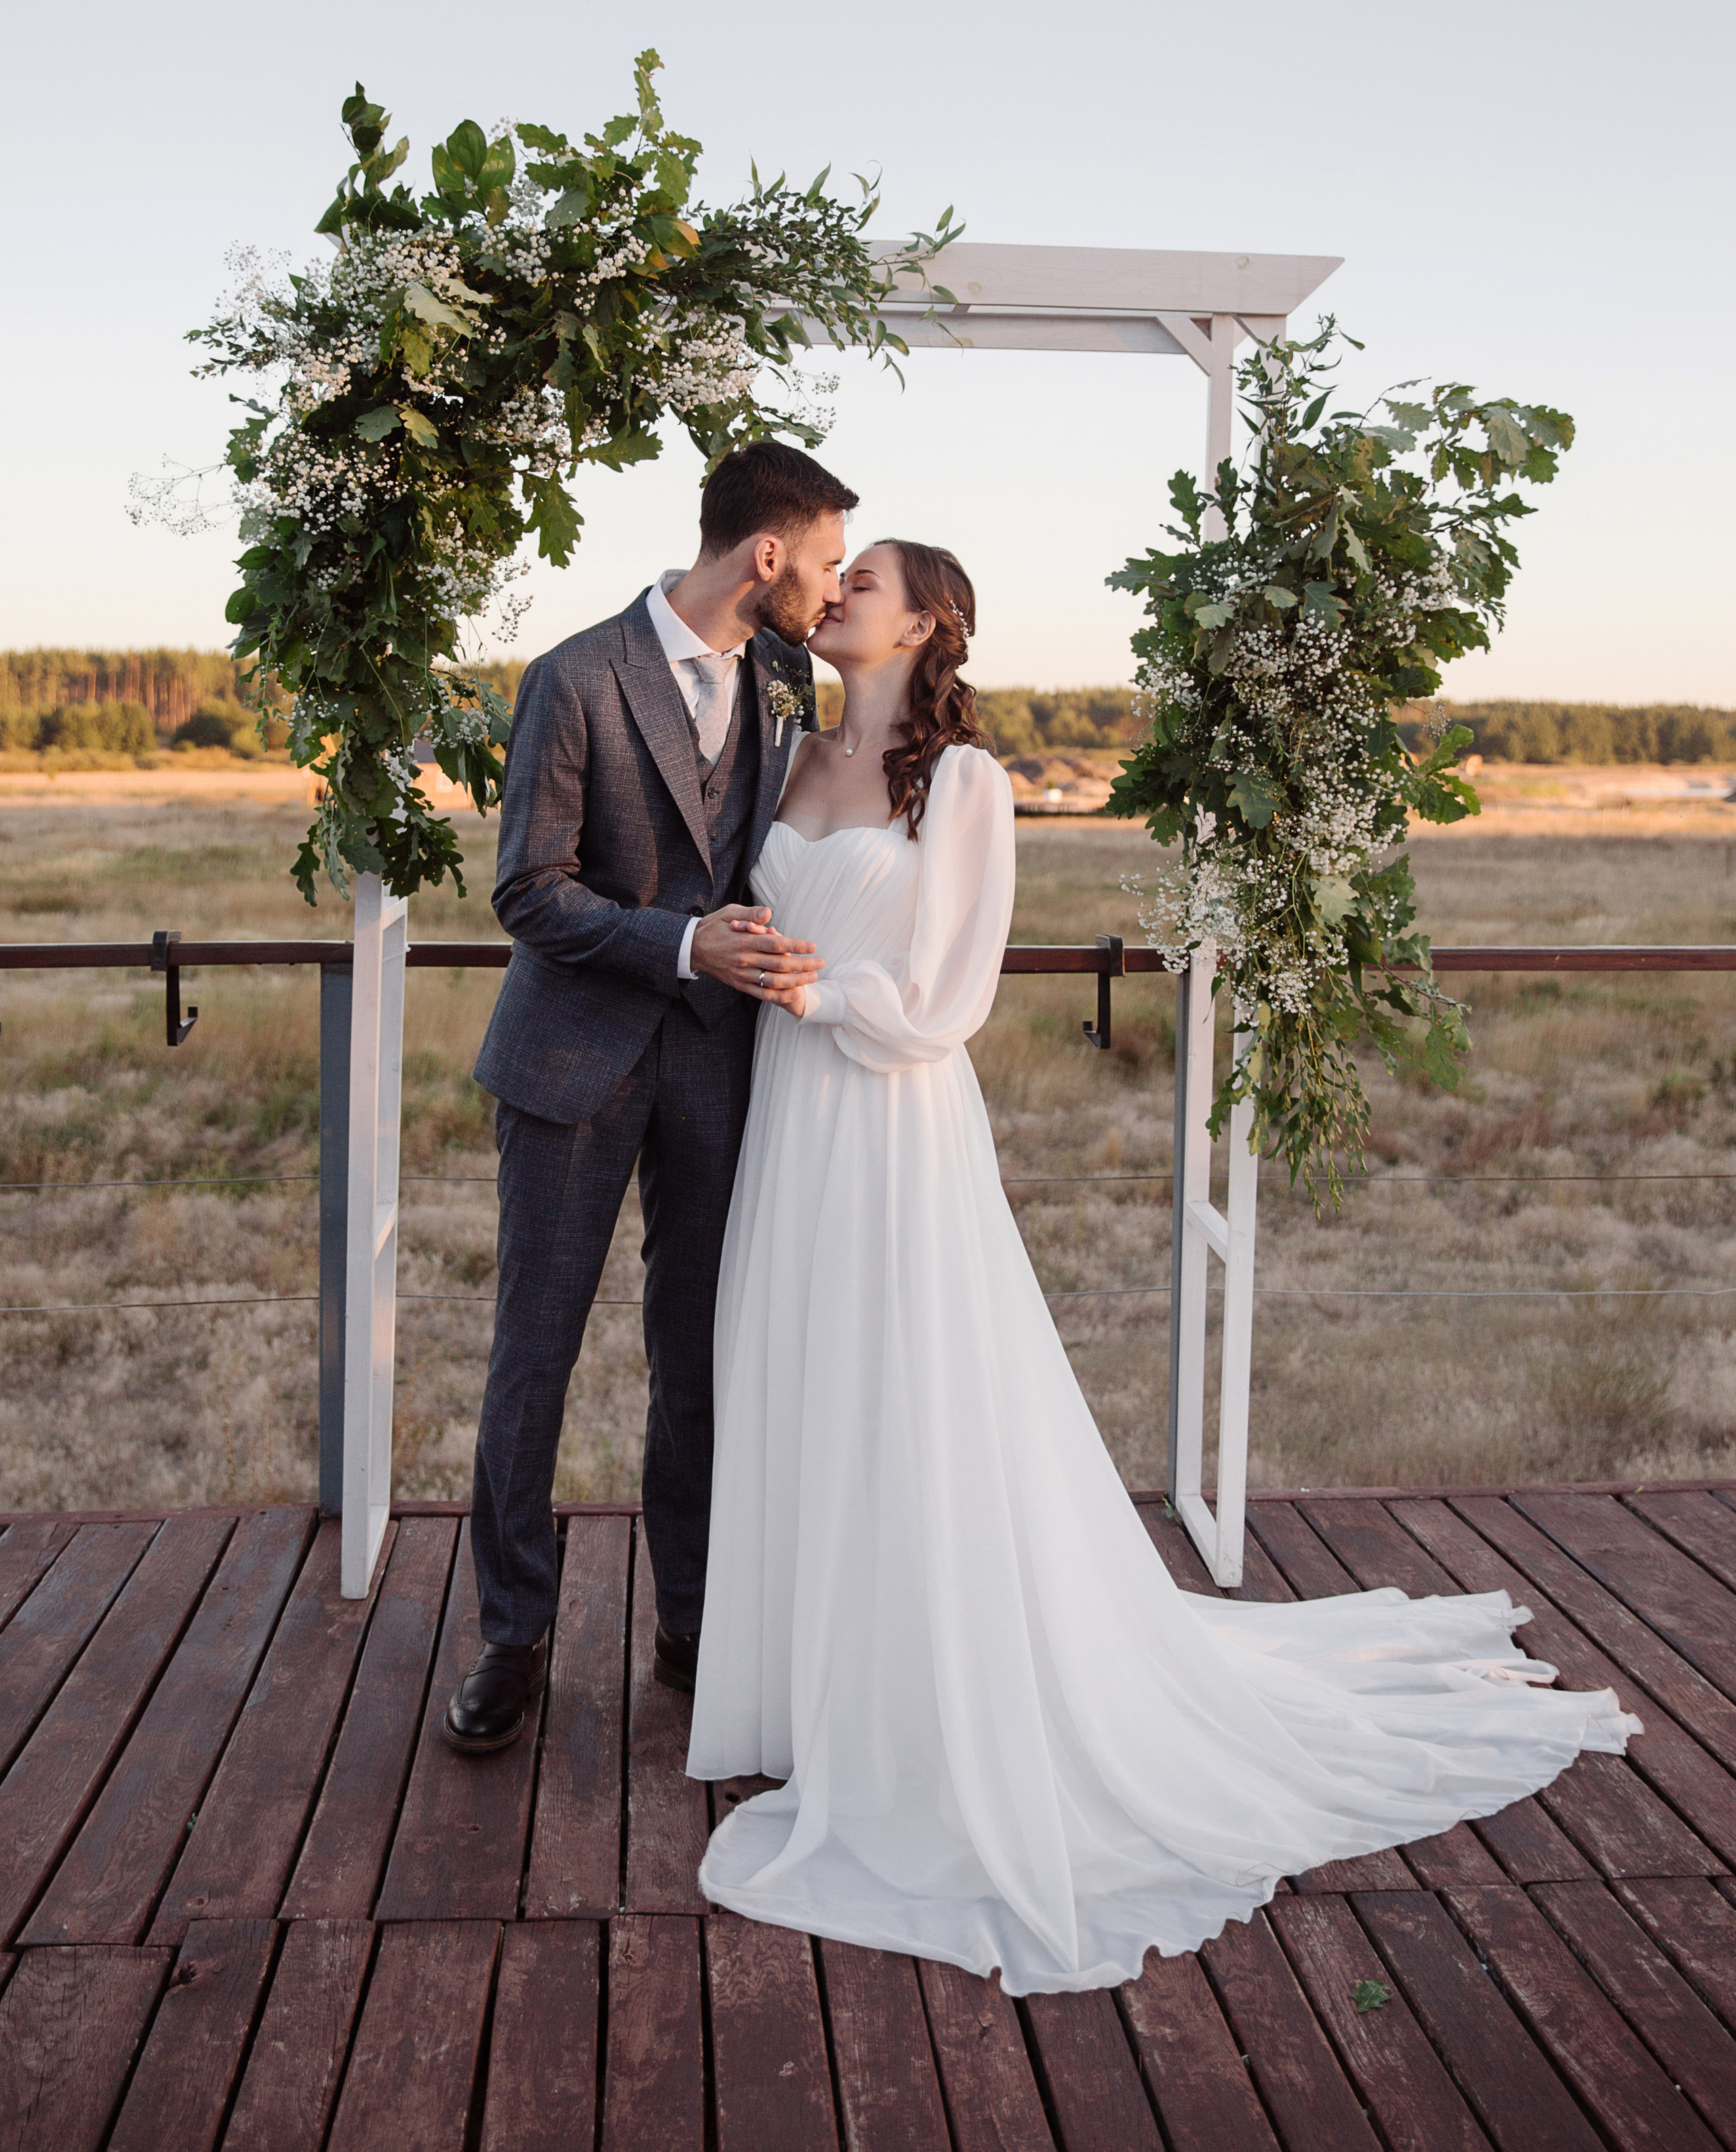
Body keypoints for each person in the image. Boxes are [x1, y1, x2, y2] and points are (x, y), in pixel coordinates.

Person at [686, 536, 1640, 1994]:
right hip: (786, 1116)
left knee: (907, 1390)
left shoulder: (965, 782)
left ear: (929, 619)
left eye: (864, 580)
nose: (836, 597)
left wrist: (809, 981)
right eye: (837, 576)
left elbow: (948, 998)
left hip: (885, 1111)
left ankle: (927, 1701)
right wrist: (754, 958)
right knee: (799, 1374)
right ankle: (817, 1695)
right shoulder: (791, 753)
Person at [443, 441, 859, 1754]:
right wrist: (684, 945)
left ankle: (691, 1621)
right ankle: (512, 1635)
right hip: (573, 1058)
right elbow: (528, 889)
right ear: (768, 554)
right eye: (830, 563)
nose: (835, 592)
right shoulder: (572, 676)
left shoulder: (791, 680)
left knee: (700, 1358)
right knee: (535, 1358)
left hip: (718, 1065)